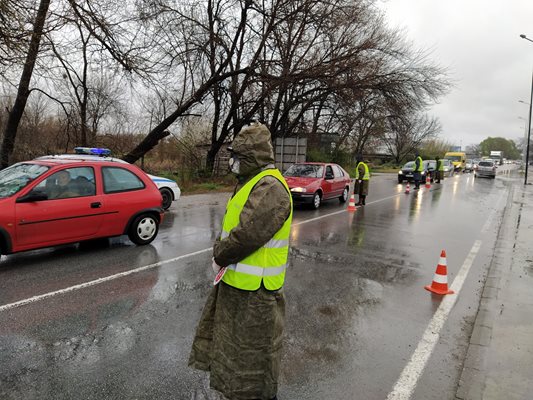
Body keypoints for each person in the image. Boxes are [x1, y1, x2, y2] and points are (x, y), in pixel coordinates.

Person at [189, 122, 293, 400]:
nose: (233, 162)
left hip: (257, 296)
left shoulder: (269, 187)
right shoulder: (251, 182)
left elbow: (246, 235)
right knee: (235, 360)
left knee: (253, 368)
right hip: (239, 288)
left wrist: (219, 253)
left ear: (253, 157)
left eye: (238, 157)